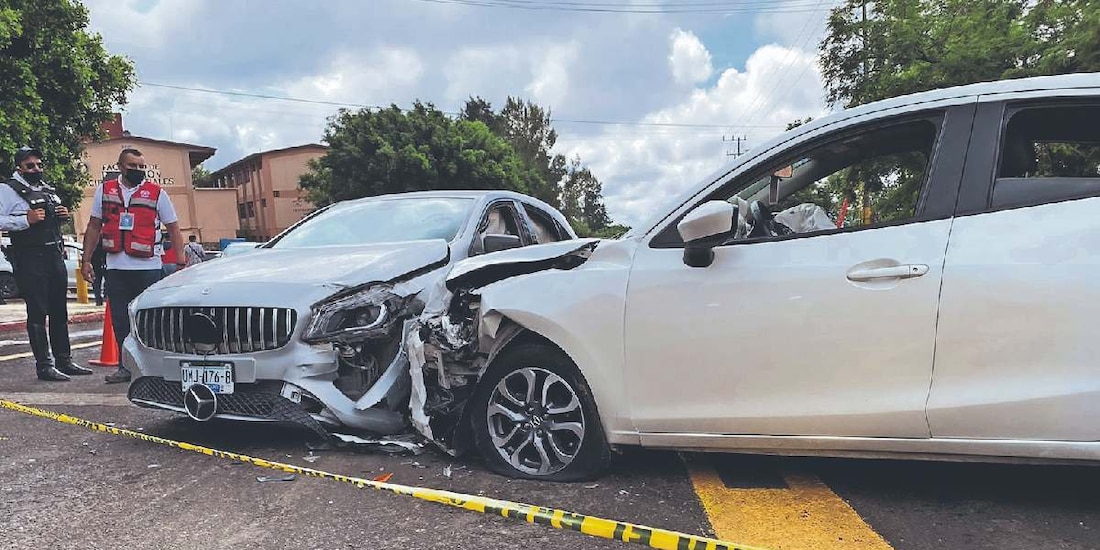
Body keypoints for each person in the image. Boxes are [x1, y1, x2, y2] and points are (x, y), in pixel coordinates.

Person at [80, 148, 187, 384]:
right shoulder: (105, 191)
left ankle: (155, 368)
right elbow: (94, 226)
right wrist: (86, 260)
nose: (138, 170)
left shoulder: (157, 193)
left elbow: (173, 228)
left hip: (148, 267)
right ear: (120, 166)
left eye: (141, 166)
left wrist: (180, 262)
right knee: (121, 321)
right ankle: (125, 367)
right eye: (133, 166)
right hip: (116, 268)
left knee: (151, 320)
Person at [0, 146, 93, 381]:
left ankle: (65, 359)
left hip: (54, 255)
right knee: (38, 312)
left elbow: (52, 218)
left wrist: (61, 214)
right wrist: (25, 220)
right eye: (30, 166)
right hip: (30, 257)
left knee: (59, 311)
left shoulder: (47, 190)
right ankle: (44, 365)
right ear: (19, 167)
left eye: (39, 165)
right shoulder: (7, 190)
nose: (36, 169)